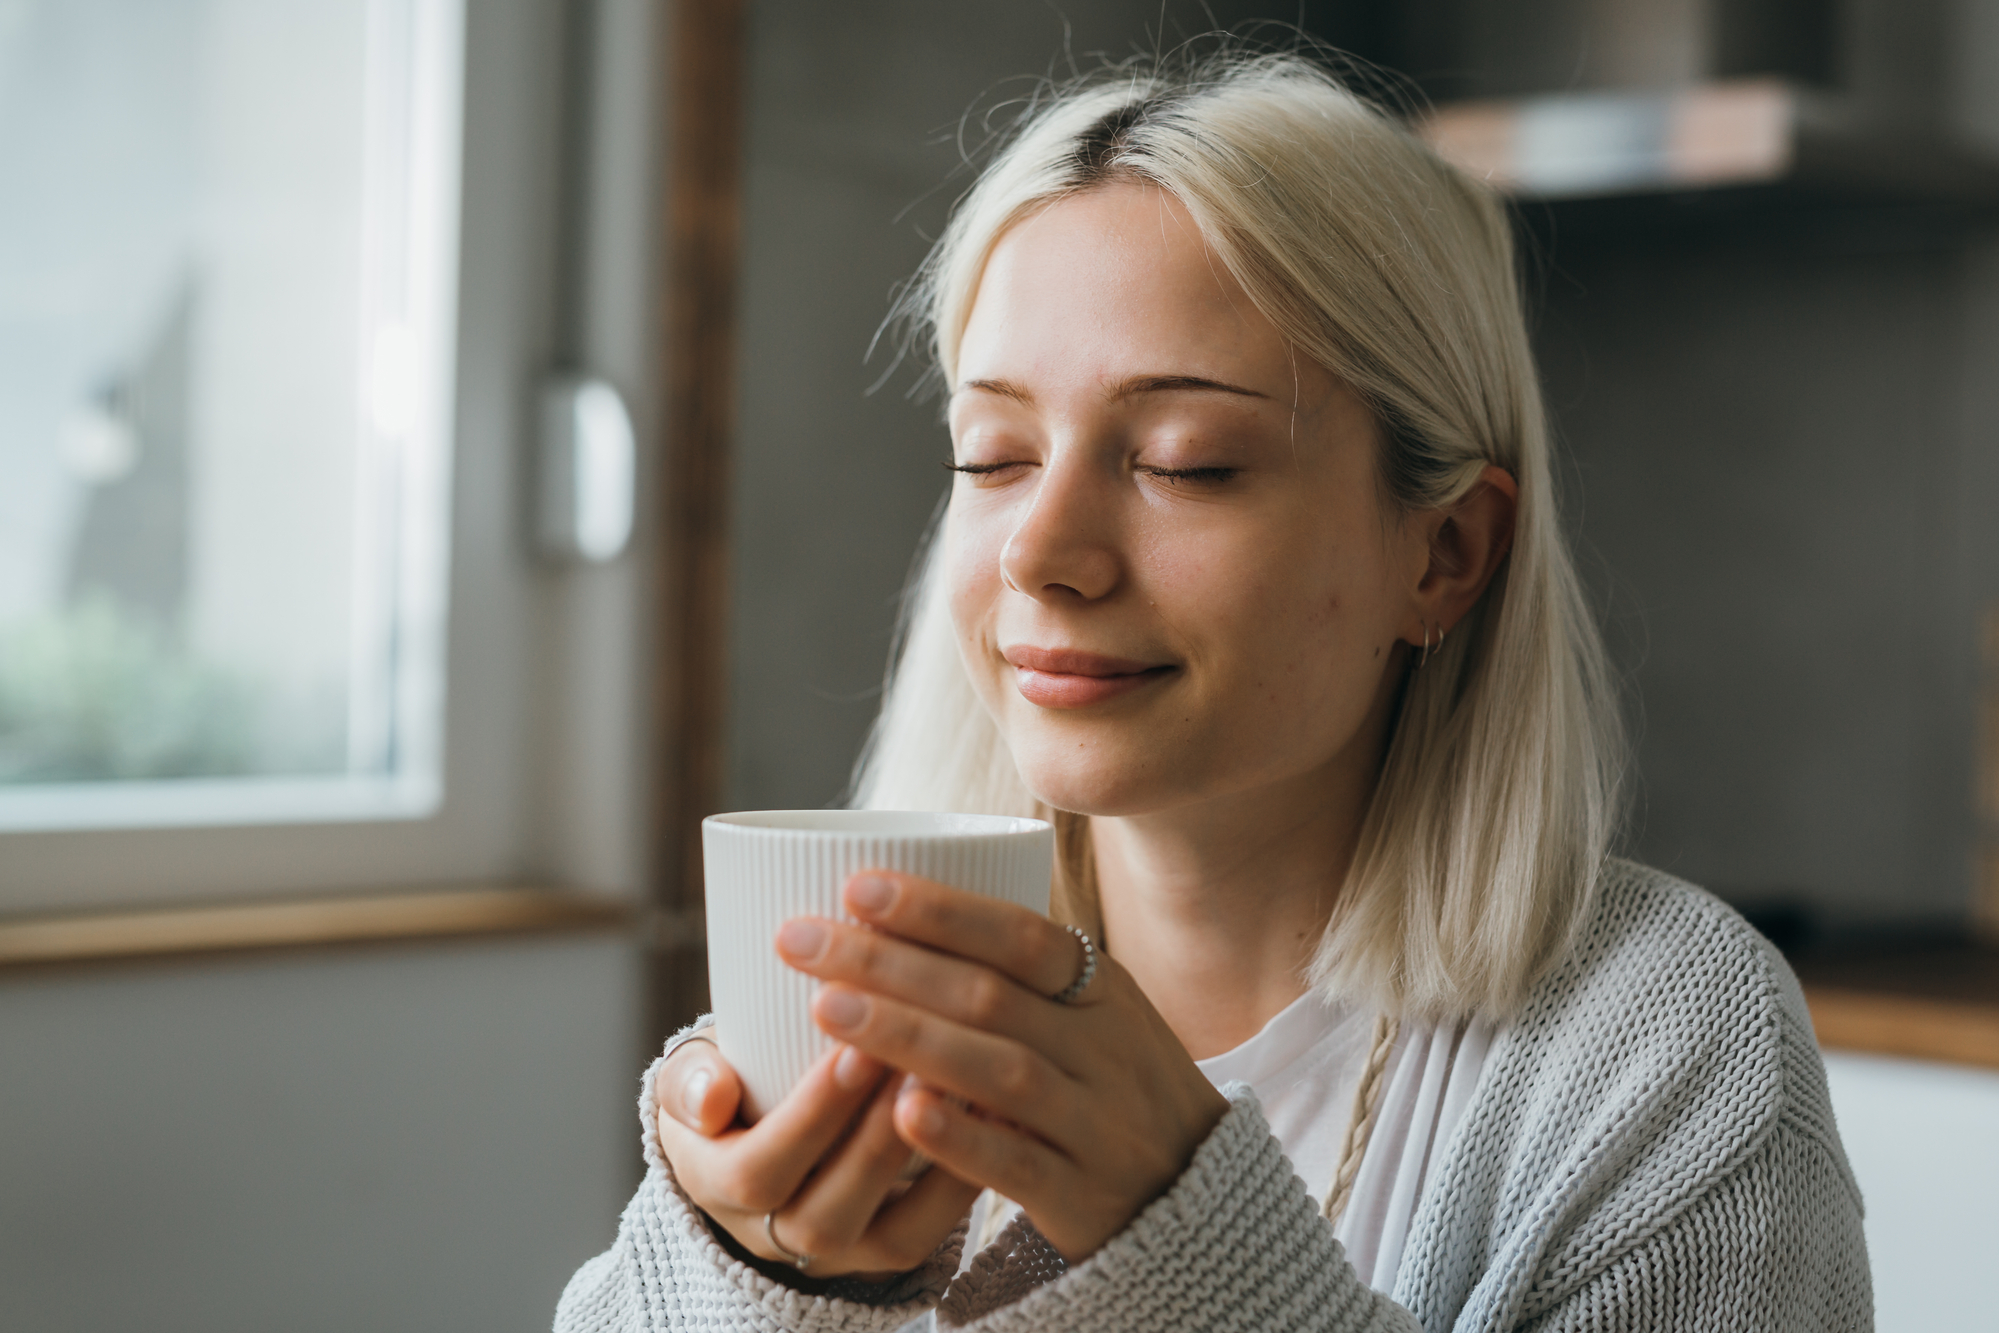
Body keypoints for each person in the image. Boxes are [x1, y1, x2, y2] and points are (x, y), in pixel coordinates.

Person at [557, 46, 1870, 1333]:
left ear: (1446, 552)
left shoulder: (1668, 1053)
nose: (1041, 552)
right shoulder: (854, 1022)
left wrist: (1187, 1241)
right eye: (994, 452)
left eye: (1187, 461)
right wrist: (762, 1278)